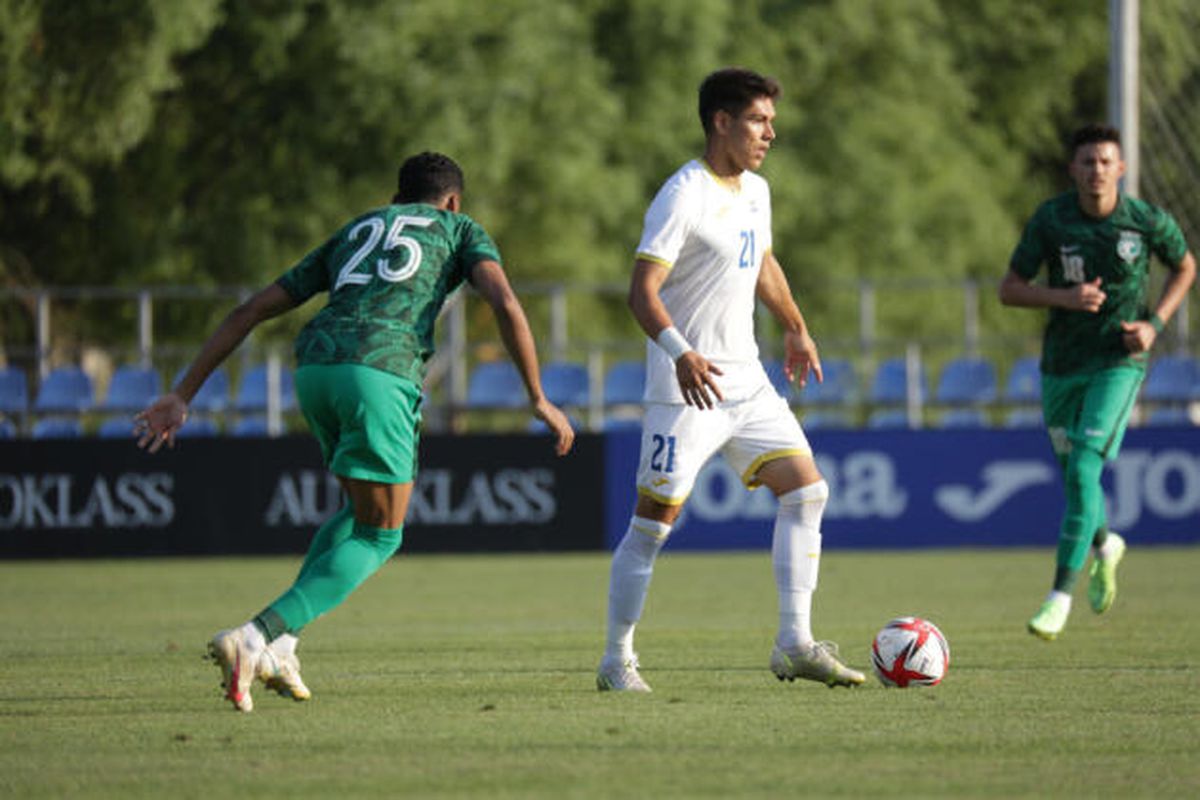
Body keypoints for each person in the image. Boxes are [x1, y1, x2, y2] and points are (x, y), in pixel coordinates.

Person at [136, 152, 575, 711]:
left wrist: (182, 393)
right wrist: (538, 395)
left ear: (397, 199)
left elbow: (251, 310)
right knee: (382, 535)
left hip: (316, 371)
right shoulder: (460, 228)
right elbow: (505, 301)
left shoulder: (358, 229)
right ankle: (256, 636)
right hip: (379, 372)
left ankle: (285, 644)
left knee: (357, 513)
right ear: (454, 200)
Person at [595, 67, 865, 692]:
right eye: (758, 120)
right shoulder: (683, 194)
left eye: (771, 120)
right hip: (688, 386)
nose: (771, 132)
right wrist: (681, 352)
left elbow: (761, 258)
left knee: (807, 492)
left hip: (747, 379)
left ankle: (794, 642)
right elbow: (641, 292)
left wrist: (796, 325)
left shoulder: (757, 191)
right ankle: (616, 660)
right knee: (652, 528)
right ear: (721, 121)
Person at [999, 123, 1195, 641]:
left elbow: (1185, 266)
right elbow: (1010, 289)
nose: (1097, 171)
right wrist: (1065, 298)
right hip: (1061, 367)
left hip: (1117, 363)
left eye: (1106, 162)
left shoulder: (1145, 220)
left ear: (1121, 168)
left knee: (1085, 467)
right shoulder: (1052, 219)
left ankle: (1058, 596)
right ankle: (1106, 544)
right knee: (1074, 479)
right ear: (1073, 169)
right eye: (1087, 162)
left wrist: (1154, 325)